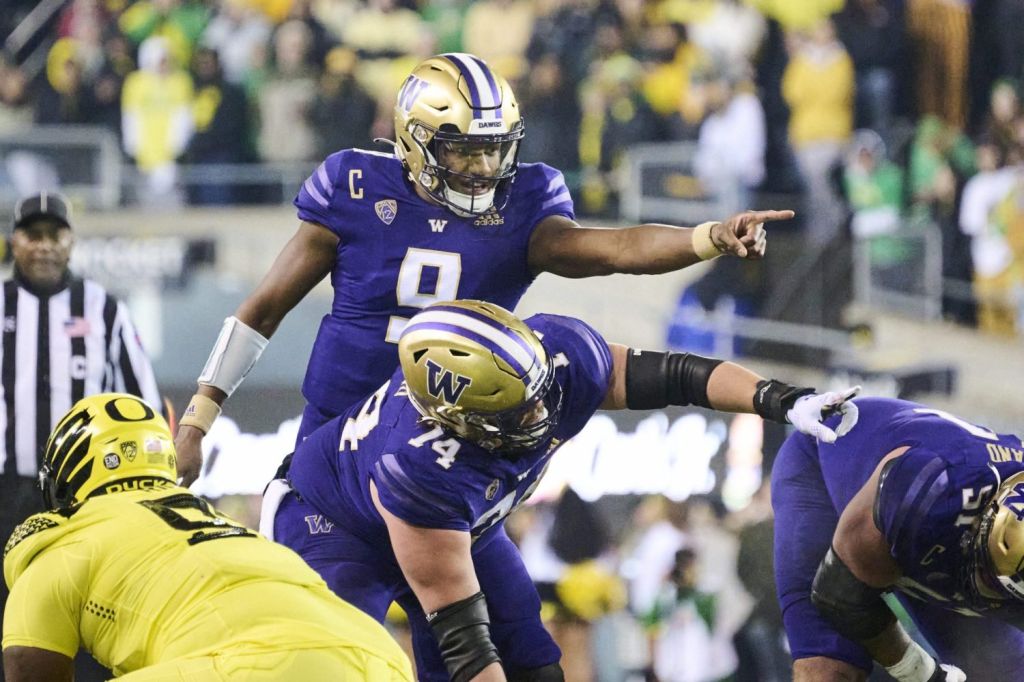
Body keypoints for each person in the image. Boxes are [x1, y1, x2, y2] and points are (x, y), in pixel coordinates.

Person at [173, 51, 793, 486]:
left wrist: (707, 237)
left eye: (495, 150)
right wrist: (199, 418)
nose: (484, 169)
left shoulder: (526, 205)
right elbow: (263, 310)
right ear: (415, 139)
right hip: (336, 434)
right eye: (464, 152)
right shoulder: (355, 186)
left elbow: (615, 249)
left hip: (449, 448)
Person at [261, 299, 860, 681]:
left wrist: (776, 398)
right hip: (335, 528)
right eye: (517, 412)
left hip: (462, 525)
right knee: (343, 663)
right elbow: (467, 646)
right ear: (460, 421)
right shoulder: (421, 467)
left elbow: (679, 375)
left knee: (531, 653)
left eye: (538, 394)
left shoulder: (557, 359)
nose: (542, 414)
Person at [2, 392, 414, 682]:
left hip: (242, 666)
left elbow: (27, 667)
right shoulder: (222, 524)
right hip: (378, 659)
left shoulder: (63, 541)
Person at [1, 191, 163, 681]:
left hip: (84, 494)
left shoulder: (104, 309)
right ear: (14, 241)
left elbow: (142, 400)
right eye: (33, 235)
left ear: (71, 241)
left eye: (55, 235)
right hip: (5, 489)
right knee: (8, 612)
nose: (44, 245)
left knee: (89, 608)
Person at [771, 396, 1024, 681]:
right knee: (829, 669)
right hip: (830, 478)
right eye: (986, 576)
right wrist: (924, 674)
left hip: (938, 538)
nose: (984, 586)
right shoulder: (930, 494)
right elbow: (841, 598)